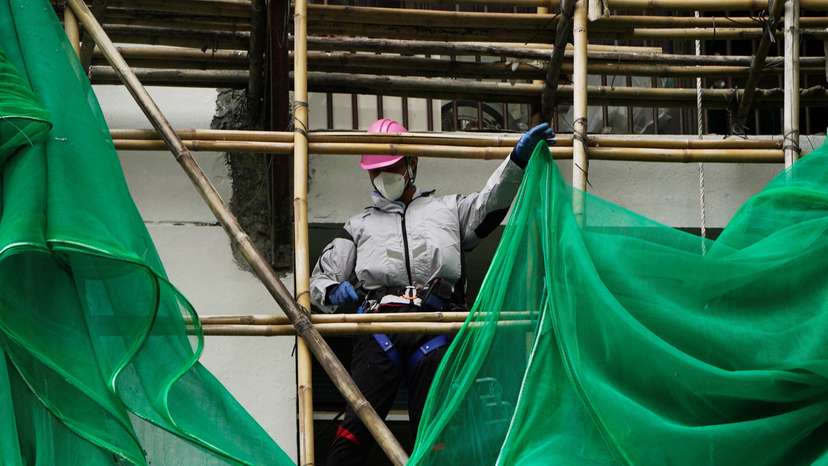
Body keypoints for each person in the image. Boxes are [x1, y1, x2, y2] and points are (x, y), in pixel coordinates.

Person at [310, 118, 555, 465]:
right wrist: (334, 291)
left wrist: (515, 161)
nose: (384, 177)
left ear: (412, 164)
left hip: (436, 328)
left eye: (393, 166)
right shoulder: (358, 227)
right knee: (356, 429)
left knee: (438, 432)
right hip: (380, 331)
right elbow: (320, 280)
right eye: (376, 171)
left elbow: (491, 204)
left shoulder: (448, 211)